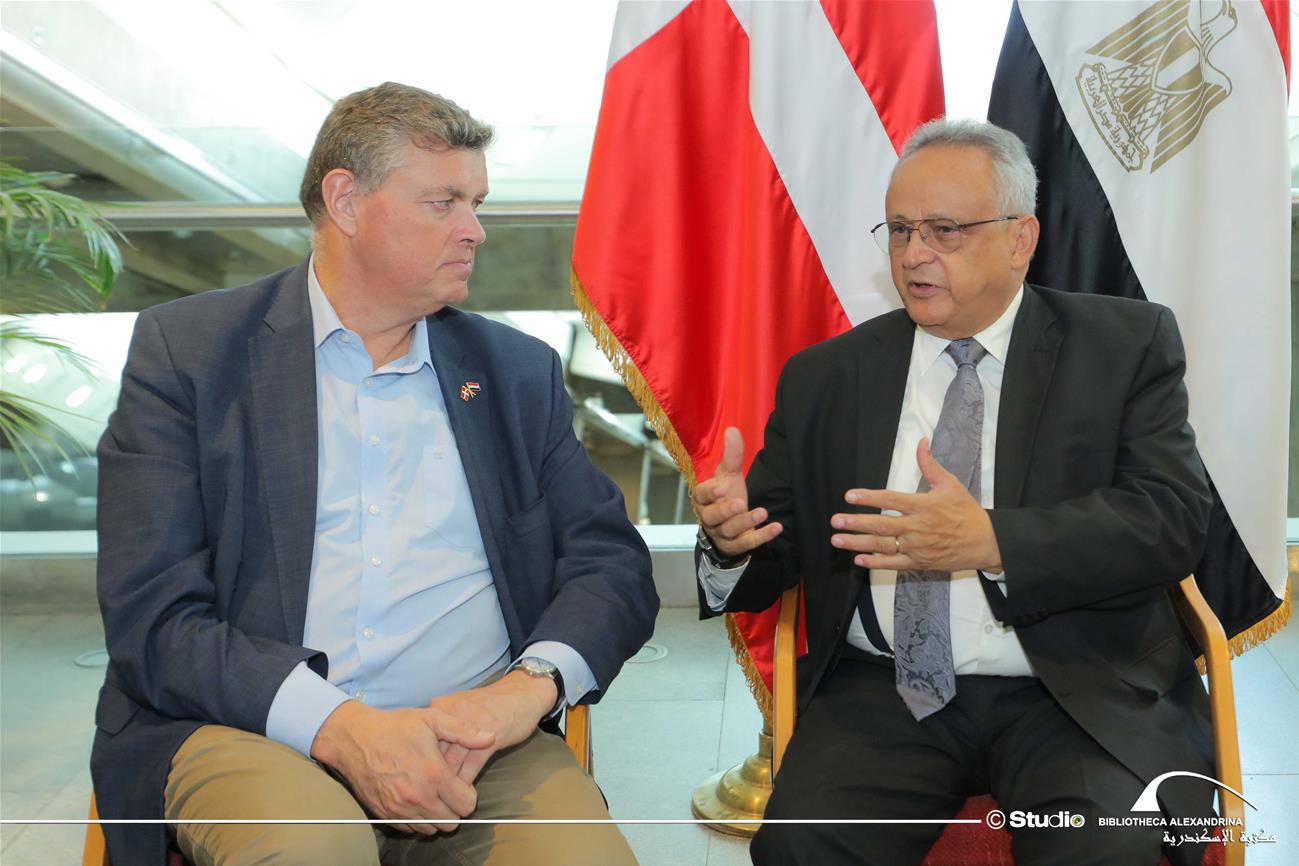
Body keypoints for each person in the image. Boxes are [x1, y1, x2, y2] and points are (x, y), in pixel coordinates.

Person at [92, 82, 658, 866]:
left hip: (473, 743)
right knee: (312, 853)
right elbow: (152, 615)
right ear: (346, 202)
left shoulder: (512, 372)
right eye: (443, 203)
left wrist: (524, 689)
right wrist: (340, 728)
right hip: (251, 726)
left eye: (476, 204)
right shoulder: (191, 354)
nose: (474, 230)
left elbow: (610, 564)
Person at [694, 118, 1215, 866]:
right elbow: (774, 550)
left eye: (944, 230)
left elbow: (1170, 521)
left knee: (1103, 853)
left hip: (1075, 687)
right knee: (800, 849)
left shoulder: (1122, 346)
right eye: (901, 230)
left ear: (1020, 238)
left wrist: (992, 541)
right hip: (882, 692)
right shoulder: (827, 376)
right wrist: (729, 542)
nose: (914, 254)